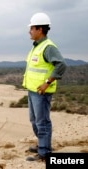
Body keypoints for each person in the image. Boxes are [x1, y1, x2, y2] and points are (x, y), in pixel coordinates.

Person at [22, 12, 67, 161]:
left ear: (40, 29)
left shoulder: (48, 47)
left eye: (32, 28)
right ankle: (43, 144)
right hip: (33, 90)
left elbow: (61, 64)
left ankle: (44, 152)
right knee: (34, 120)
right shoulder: (37, 46)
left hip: (41, 92)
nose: (29, 31)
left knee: (42, 122)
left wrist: (47, 83)